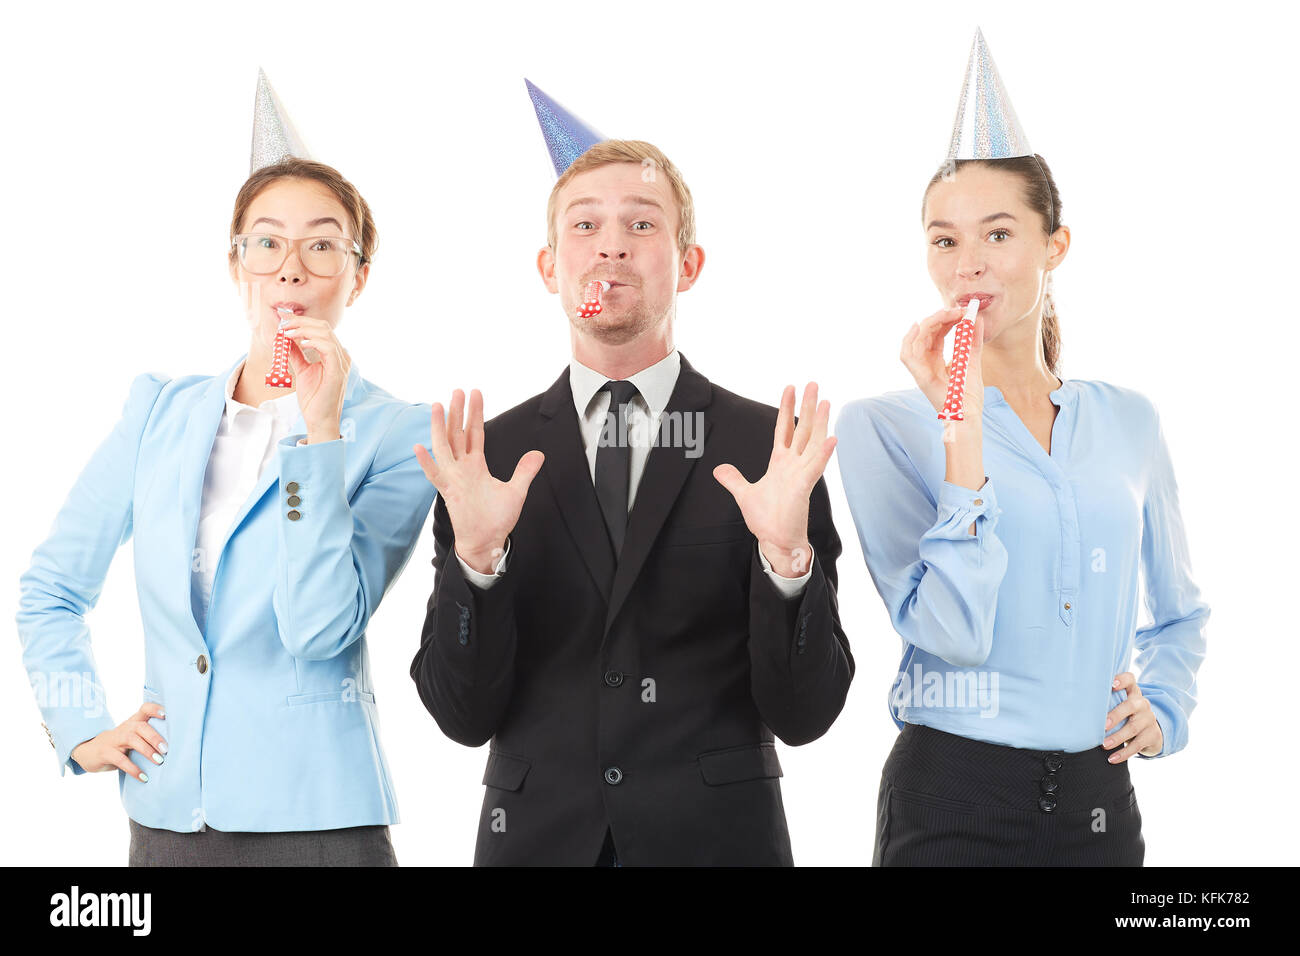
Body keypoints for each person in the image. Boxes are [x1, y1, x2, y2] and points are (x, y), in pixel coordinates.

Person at [409, 83, 853, 866]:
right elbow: (461, 715)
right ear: (550, 266)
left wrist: (788, 562)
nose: (610, 246)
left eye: (641, 225)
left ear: (689, 263)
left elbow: (807, 714)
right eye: (585, 225)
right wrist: (476, 565)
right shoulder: (488, 456)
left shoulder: (768, 448)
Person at [16, 74, 436, 866]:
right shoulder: (157, 412)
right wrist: (82, 730)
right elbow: (52, 593)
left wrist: (316, 433)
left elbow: (319, 629)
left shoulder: (396, 434)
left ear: (359, 275)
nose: (291, 267)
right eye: (267, 241)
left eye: (322, 243)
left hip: (320, 823)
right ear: (236, 265)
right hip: (168, 817)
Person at [834, 32, 1209, 866]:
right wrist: (960, 432)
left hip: (1099, 802)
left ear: (1055, 246)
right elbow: (951, 636)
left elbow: (1179, 613)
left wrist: (1166, 710)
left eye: (998, 234)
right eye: (944, 240)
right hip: (950, 797)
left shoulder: (1131, 422)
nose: (969, 265)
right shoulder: (881, 427)